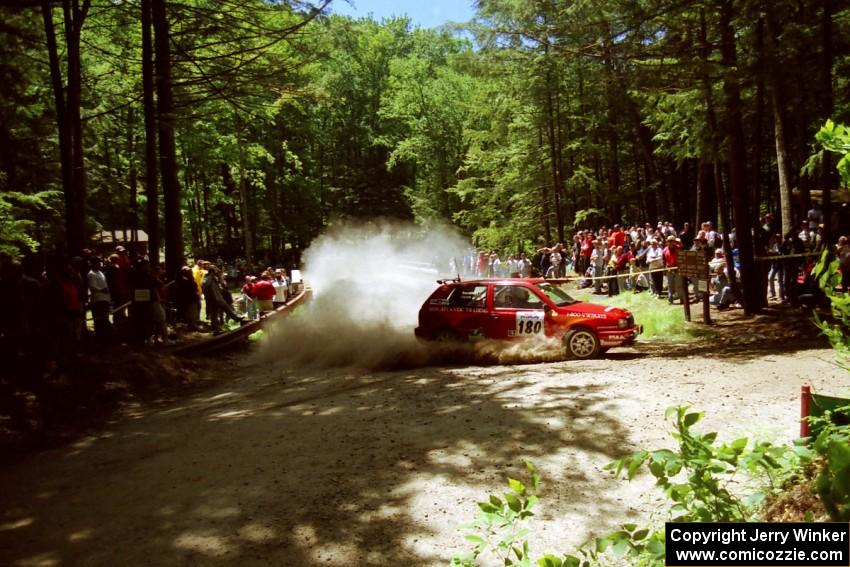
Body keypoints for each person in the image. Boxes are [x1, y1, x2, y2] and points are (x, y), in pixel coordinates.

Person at [87, 257, 112, 338]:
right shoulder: (91, 274)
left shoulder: (100, 272)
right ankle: (100, 336)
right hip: (98, 299)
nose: (99, 264)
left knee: (105, 318)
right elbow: (92, 286)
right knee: (100, 319)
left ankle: (106, 335)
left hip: (105, 299)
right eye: (97, 263)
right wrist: (101, 290)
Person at [663, 235, 681, 303]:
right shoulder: (665, 250)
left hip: (678, 268)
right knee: (670, 284)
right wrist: (665, 269)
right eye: (669, 241)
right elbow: (664, 260)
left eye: (672, 241)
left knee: (679, 284)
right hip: (669, 269)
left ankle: (681, 298)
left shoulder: (679, 248)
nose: (670, 243)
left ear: (674, 242)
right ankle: (670, 298)